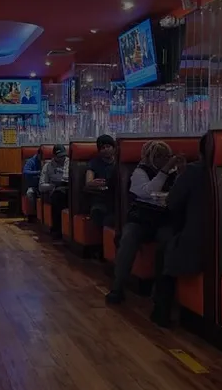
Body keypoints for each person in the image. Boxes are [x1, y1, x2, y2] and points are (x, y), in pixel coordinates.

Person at [105, 141, 185, 304]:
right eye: (159, 156)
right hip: (141, 218)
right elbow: (148, 191)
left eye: (166, 156)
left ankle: (160, 293)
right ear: (150, 157)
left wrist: (181, 173)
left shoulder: (174, 172)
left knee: (168, 240)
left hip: (164, 219)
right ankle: (117, 287)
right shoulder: (140, 171)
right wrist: (164, 171)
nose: (163, 159)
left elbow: (179, 193)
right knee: (128, 239)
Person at [150, 134, 209, 327]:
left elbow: (172, 203)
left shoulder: (194, 171)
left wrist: (182, 176)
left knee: (164, 246)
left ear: (200, 152)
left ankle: (162, 310)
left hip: (199, 245)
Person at [85, 134, 117, 228]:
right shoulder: (94, 163)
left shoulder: (119, 163)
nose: (106, 149)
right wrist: (93, 183)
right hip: (100, 199)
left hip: (117, 198)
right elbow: (88, 182)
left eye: (108, 146)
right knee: (98, 213)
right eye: (103, 148)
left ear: (114, 148)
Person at [39, 144, 69, 239]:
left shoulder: (70, 163)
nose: (62, 159)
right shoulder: (47, 166)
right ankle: (57, 229)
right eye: (59, 156)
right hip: (55, 190)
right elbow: (41, 186)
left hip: (69, 188)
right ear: (54, 156)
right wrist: (53, 186)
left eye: (64, 156)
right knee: (58, 195)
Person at [23, 146, 44, 222]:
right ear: (38, 154)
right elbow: (25, 171)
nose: (43, 159)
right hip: (34, 186)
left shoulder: (47, 162)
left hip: (43, 185)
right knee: (30, 193)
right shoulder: (31, 161)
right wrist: (38, 172)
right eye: (42, 157)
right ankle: (33, 214)